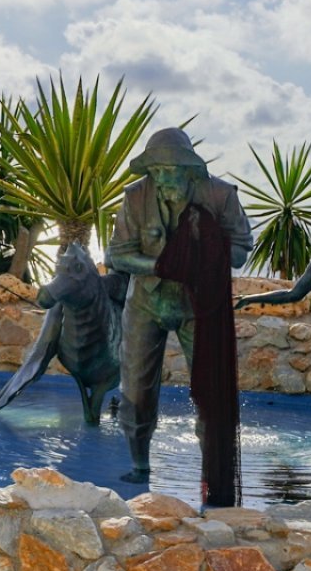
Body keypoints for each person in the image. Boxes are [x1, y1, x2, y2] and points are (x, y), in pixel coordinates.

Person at [106, 128, 251, 487]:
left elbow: (241, 250)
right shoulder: (136, 197)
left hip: (201, 305)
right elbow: (117, 255)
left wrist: (208, 252)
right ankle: (140, 467)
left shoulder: (220, 194)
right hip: (146, 302)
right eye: (156, 171)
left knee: (211, 393)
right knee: (136, 392)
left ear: (190, 169)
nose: (164, 178)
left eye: (172, 170)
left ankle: (211, 474)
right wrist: (161, 267)